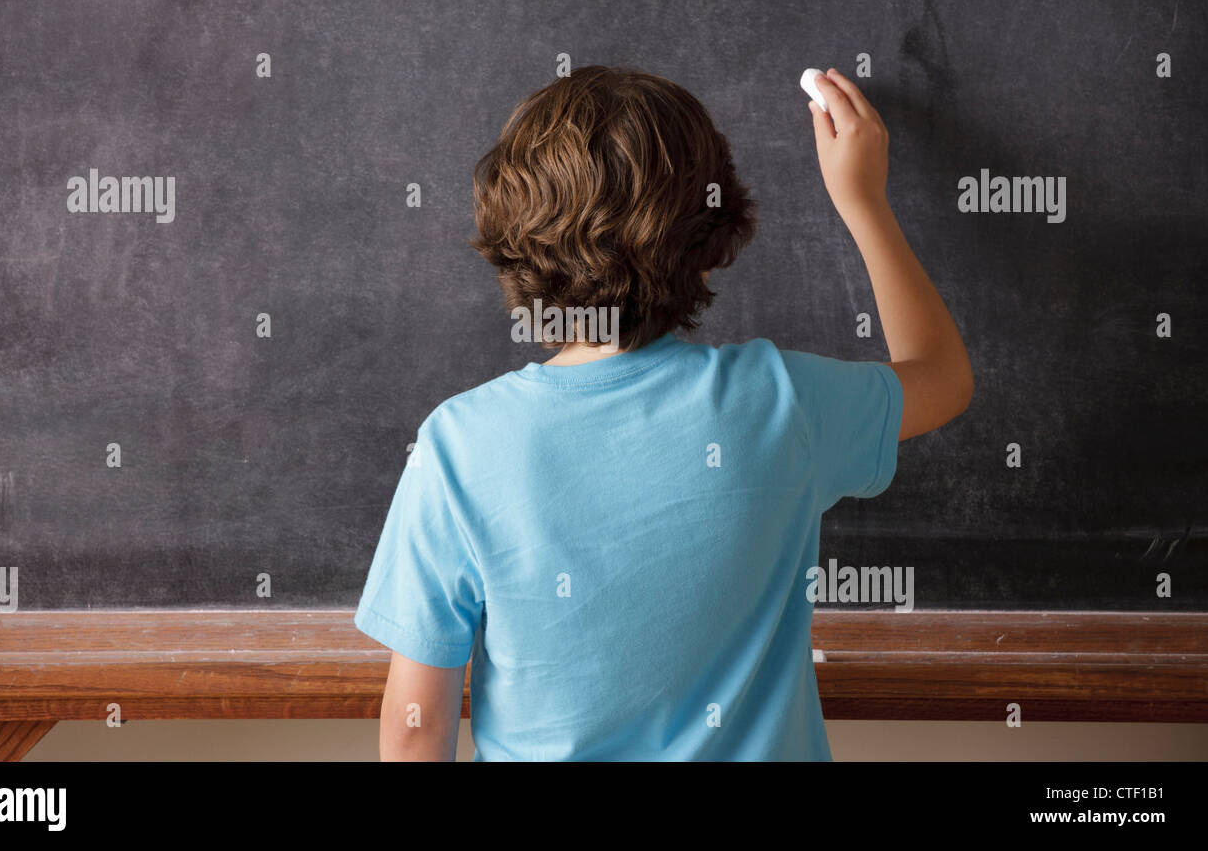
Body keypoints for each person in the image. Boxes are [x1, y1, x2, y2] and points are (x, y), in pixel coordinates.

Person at [354, 66, 973, 760]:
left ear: (512, 241)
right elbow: (943, 377)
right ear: (709, 245)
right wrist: (863, 201)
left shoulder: (460, 446)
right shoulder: (781, 402)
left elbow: (416, 729)